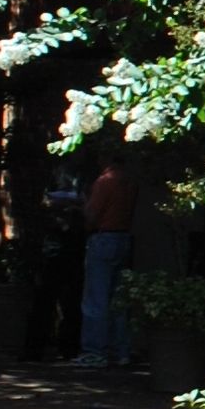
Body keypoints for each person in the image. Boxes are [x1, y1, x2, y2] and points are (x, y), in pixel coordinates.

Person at [77, 145, 139, 369]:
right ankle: (121, 350)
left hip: (103, 238)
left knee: (96, 298)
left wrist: (82, 206)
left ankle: (95, 351)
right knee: (118, 299)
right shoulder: (129, 181)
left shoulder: (104, 181)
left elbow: (92, 215)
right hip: (123, 238)